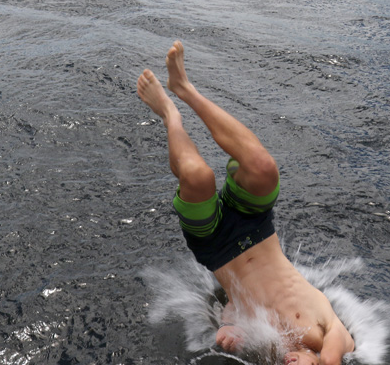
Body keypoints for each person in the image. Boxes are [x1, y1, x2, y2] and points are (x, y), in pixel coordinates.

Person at [137, 41, 355, 365]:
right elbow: (335, 354)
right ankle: (184, 88)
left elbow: (234, 305)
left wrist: (229, 328)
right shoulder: (333, 337)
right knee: (263, 169)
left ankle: (170, 114)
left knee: (197, 176)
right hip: (256, 226)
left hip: (216, 246)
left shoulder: (267, 351)